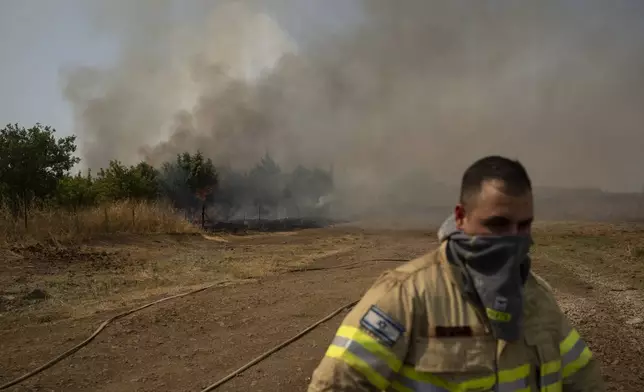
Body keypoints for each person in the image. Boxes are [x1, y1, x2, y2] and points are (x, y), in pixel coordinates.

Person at [307, 155, 605, 391]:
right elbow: (336, 385)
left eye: (524, 225)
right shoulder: (405, 297)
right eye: (498, 225)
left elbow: (583, 380)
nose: (515, 239)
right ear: (460, 217)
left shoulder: (538, 297)